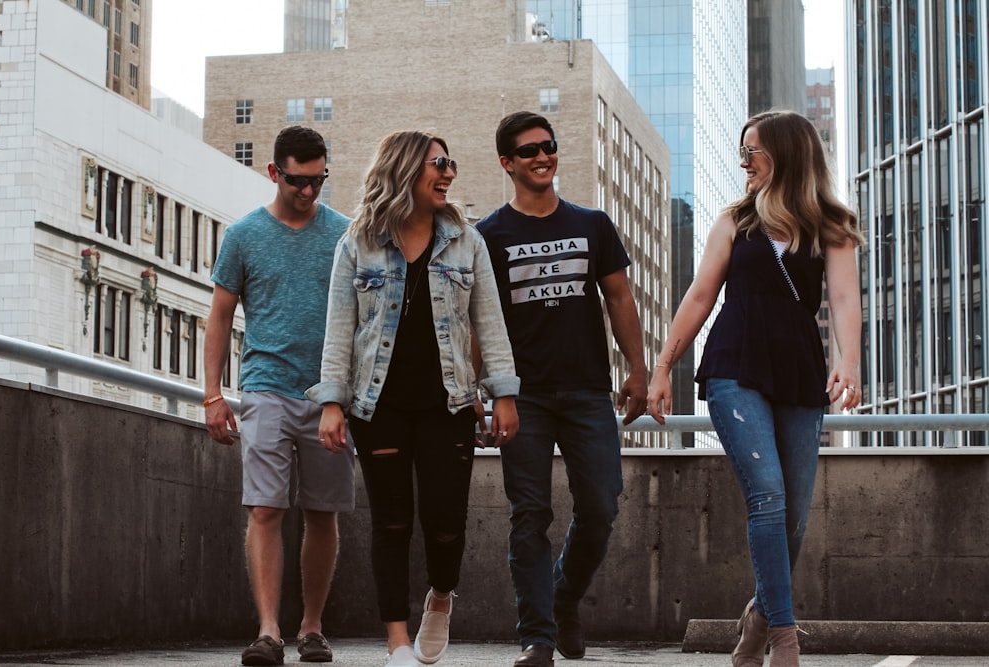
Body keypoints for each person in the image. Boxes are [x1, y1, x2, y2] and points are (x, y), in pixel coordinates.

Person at [646, 110, 863, 667]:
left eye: (754, 151)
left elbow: (842, 300)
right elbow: (698, 297)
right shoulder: (733, 222)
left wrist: (851, 362)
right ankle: (785, 639)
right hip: (733, 366)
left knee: (793, 514)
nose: (743, 162)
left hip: (797, 370)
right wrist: (663, 367)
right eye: (742, 151)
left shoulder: (831, 224)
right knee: (766, 494)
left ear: (786, 154)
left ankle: (758, 617)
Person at [307, 130, 520, 667]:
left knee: (446, 522)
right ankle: (396, 642)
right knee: (392, 521)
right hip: (377, 408)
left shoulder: (467, 242)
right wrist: (332, 402)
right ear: (405, 169)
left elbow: (489, 323)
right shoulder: (358, 242)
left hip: (448, 405)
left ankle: (441, 595)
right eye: (438, 163)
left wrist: (504, 394)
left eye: (450, 163)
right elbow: (338, 327)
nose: (448, 172)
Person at [476, 111, 649, 667]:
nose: (542, 156)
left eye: (548, 146)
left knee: (601, 505)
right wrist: (482, 393)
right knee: (529, 515)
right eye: (528, 151)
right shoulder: (490, 236)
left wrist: (638, 369)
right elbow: (482, 320)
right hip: (520, 395)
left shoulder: (592, 224)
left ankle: (564, 597)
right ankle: (538, 639)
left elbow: (620, 298)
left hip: (587, 392)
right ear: (507, 163)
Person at [204, 126, 356, 666]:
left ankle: (311, 628)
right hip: (264, 387)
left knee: (322, 512)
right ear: (274, 173)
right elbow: (220, 315)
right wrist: (213, 395)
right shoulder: (244, 235)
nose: (309, 192)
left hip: (329, 395)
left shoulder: (344, 234)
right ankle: (268, 631)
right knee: (265, 508)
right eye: (298, 181)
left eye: (318, 181)